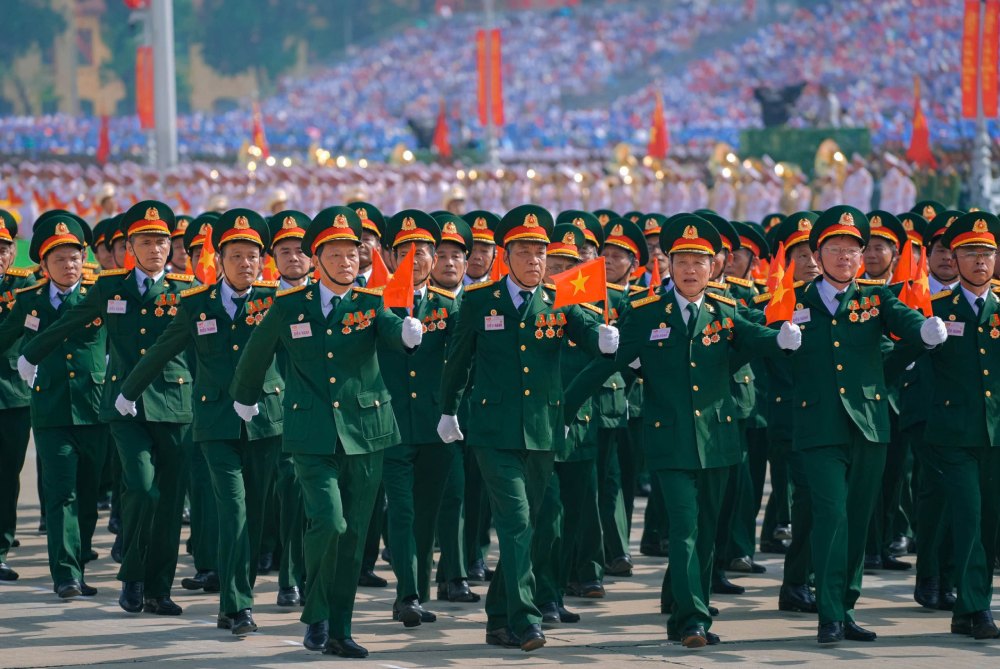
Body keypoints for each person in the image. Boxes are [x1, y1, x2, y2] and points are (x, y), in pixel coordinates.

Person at [564, 214, 801, 648]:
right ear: (668, 265)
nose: (691, 270)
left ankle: (686, 607)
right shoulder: (645, 314)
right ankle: (692, 619)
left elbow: (754, 337)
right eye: (682, 261)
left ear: (715, 266)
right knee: (685, 528)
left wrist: (781, 340)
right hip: (669, 441)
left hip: (718, 441)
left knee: (708, 532)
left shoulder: (724, 311)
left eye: (700, 261)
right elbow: (604, 367)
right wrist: (563, 410)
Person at [229, 206, 423, 659]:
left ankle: (339, 629)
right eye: (334, 254)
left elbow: (391, 331)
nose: (345, 261)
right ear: (317, 260)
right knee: (329, 522)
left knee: (353, 534)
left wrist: (408, 334)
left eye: (351, 253)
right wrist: (245, 395)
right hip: (311, 433)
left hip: (366, 432)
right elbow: (255, 355)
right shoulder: (288, 306)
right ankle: (316, 613)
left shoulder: (372, 304)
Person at [436, 204, 620, 652]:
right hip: (493, 432)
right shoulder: (480, 301)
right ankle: (526, 619)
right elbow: (458, 362)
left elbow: (585, 331)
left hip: (541, 429)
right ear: (506, 254)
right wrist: (447, 411)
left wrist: (602, 338)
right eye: (525, 251)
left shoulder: (559, 299)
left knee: (530, 526)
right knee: (517, 522)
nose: (535, 260)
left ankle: (497, 618)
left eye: (541, 251)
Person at [18, 201, 197, 615]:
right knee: (141, 488)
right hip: (123, 407)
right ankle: (132, 577)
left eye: (162, 242)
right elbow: (69, 321)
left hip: (175, 404)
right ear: (130, 246)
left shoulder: (186, 291)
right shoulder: (110, 288)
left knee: (168, 501)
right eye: (146, 242)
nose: (155, 249)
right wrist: (31, 353)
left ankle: (158, 588)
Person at [782, 205, 946, 645]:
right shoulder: (794, 300)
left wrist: (926, 328)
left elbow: (904, 321)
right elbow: (765, 347)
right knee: (831, 514)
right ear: (818, 254)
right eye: (834, 249)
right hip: (818, 426)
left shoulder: (875, 297)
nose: (844, 257)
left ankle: (845, 605)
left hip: (868, 425)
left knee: (856, 519)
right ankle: (829, 614)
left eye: (852, 251)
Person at [116, 209, 282, 635]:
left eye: (253, 256)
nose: (246, 264)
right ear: (220, 259)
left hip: (265, 423)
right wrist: (128, 391)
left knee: (256, 517)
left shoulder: (276, 301)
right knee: (234, 511)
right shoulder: (196, 305)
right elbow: (160, 349)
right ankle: (240, 605)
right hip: (214, 424)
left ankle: (231, 603)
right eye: (237, 255)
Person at [896, 212, 1000, 639]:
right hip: (951, 435)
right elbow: (895, 359)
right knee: (970, 517)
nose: (979, 261)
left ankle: (965, 608)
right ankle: (976, 608)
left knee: (990, 522)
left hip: (994, 434)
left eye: (987, 253)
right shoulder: (934, 310)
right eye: (970, 253)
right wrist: (922, 337)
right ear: (953, 260)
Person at [0, 212, 107, 598]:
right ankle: (65, 574)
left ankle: (79, 560)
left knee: (89, 493)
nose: (69, 265)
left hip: (94, 409)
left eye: (75, 256)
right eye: (59, 258)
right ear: (42, 265)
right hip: (51, 409)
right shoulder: (28, 301)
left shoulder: (101, 295)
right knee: (61, 492)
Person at [378, 210, 467, 627]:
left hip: (436, 422)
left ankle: (416, 590)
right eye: (406, 252)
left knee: (428, 512)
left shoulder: (450, 305)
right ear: (391, 256)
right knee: (402, 510)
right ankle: (407, 593)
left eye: (425, 251)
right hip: (390, 424)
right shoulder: (373, 301)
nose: (416, 259)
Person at [0, 209, 69, 583]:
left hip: (11, 393)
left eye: (4, 248)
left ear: (13, 252)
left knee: (7, 475)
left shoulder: (24, 288)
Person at [266, 209, 313, 608]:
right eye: (285, 251)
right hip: (276, 414)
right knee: (289, 496)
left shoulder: (325, 297)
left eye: (300, 250)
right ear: (273, 258)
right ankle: (288, 577)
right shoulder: (265, 300)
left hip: (323, 414)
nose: (294, 258)